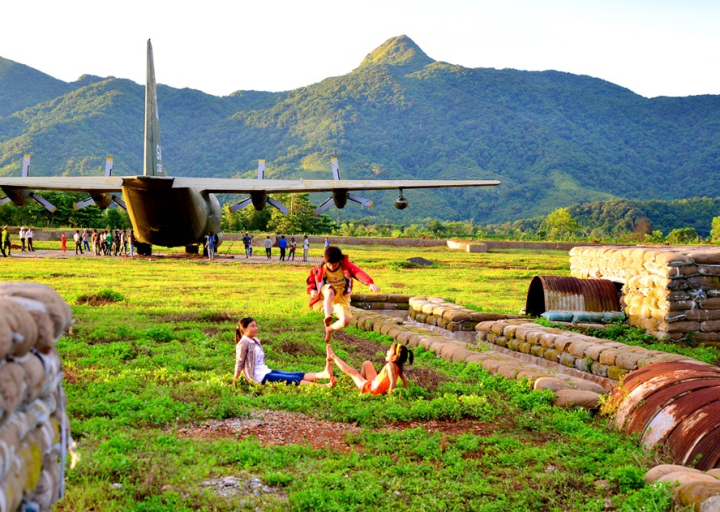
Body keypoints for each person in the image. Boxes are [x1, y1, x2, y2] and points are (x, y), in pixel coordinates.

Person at [232, 317, 336, 387]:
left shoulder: (255, 340)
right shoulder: (243, 343)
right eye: (252, 326)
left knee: (297, 374)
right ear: (244, 329)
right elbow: (239, 363)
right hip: (258, 377)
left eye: (256, 326)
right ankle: (325, 386)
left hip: (266, 371)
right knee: (293, 379)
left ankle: (324, 374)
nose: (256, 328)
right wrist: (235, 381)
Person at [307, 245, 381, 342]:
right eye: (329, 264)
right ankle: (327, 318)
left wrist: (370, 283)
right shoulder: (319, 269)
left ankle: (329, 329)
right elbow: (311, 282)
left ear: (340, 260)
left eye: (335, 265)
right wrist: (312, 291)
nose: (332, 267)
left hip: (342, 295)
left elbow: (358, 272)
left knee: (345, 321)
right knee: (329, 291)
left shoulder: (346, 266)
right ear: (325, 261)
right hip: (327, 291)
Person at [327, 343, 412, 395]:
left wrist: (390, 396)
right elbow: (405, 381)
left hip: (371, 390)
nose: (387, 351)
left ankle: (333, 357)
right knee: (367, 364)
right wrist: (403, 392)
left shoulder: (390, 365)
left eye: (390, 350)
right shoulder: (398, 367)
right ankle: (360, 384)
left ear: (394, 357)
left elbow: (393, 381)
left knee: (353, 372)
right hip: (374, 383)